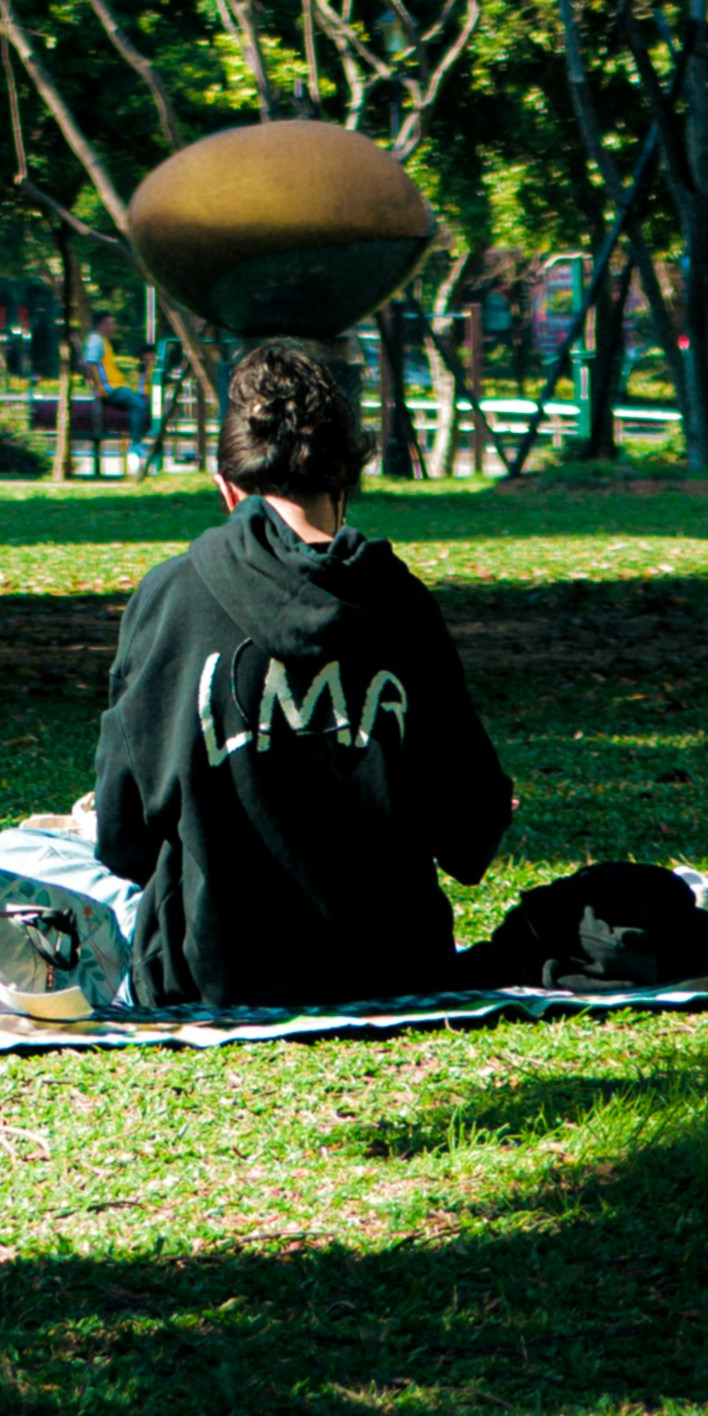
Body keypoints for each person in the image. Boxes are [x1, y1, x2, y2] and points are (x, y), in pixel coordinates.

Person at [90, 336, 515, 1011]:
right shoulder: (401, 604)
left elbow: (121, 834)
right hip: (394, 969)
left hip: (211, 974)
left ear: (225, 484)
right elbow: (469, 826)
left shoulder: (169, 597)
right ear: (345, 482)